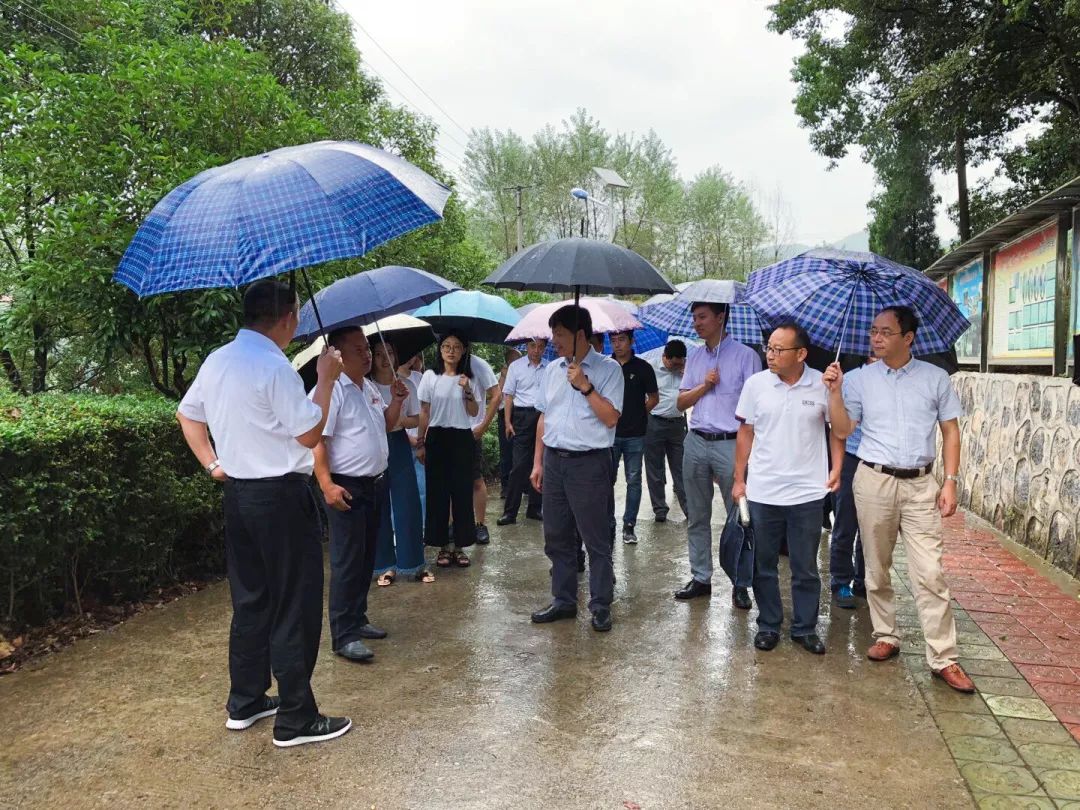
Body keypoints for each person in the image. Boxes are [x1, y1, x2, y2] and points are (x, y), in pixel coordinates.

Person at [176, 279, 351, 748]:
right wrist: (327, 380)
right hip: (280, 497)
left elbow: (187, 414)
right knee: (295, 601)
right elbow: (310, 435)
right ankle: (296, 717)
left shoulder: (219, 359)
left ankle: (247, 699)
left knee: (252, 598)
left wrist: (213, 463)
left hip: (239, 496)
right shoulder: (274, 367)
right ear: (288, 317)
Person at [828, 305, 973, 693]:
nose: (876, 337)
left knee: (930, 571)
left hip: (921, 484)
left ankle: (944, 656)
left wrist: (951, 481)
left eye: (886, 332)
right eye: (874, 331)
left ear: (908, 338)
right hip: (873, 480)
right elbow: (842, 430)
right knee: (877, 566)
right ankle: (886, 634)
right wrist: (835, 393)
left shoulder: (935, 378)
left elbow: (951, 432)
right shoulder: (858, 380)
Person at [732, 323, 840, 655]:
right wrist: (739, 478)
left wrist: (837, 468)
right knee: (763, 562)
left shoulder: (822, 383)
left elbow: (838, 430)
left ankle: (805, 628)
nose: (771, 354)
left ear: (801, 354)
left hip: (807, 492)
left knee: (805, 564)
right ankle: (768, 624)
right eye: (769, 348)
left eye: (779, 349)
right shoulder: (756, 384)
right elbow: (745, 433)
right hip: (764, 491)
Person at [310, 328, 405, 664]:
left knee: (366, 557)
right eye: (358, 349)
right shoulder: (331, 390)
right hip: (346, 484)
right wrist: (326, 484)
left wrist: (397, 399)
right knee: (347, 559)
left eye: (367, 348)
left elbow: (387, 425)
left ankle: (358, 617)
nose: (367, 355)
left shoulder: (366, 388)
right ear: (337, 354)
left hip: (375, 482)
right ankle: (343, 634)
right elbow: (317, 440)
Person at [530, 305, 624, 632]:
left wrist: (585, 385)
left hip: (590, 464)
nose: (553, 340)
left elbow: (611, 417)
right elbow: (545, 417)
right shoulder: (553, 370)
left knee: (595, 538)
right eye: (553, 333)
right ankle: (563, 600)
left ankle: (600, 604)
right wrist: (538, 462)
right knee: (556, 536)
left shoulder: (609, 370)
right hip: (555, 462)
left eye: (560, 334)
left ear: (580, 335)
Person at [674, 302, 761, 606]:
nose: (696, 323)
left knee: (740, 516)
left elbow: (756, 406)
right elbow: (681, 403)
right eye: (694, 317)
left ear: (721, 317)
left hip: (731, 443)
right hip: (696, 440)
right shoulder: (696, 357)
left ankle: (740, 581)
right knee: (697, 515)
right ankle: (701, 577)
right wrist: (704, 385)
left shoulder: (746, 357)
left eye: (702, 317)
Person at [368, 339, 432, 587]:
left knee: (408, 502)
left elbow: (416, 419)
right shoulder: (367, 386)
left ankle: (413, 563)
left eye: (390, 352)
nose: (385, 358)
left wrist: (398, 419)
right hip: (375, 446)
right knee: (380, 505)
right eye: (379, 354)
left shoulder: (405, 385)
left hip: (398, 442)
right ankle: (385, 565)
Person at [417, 331, 482, 567]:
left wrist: (467, 389)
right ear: (440, 349)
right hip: (437, 437)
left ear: (463, 350)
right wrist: (420, 442)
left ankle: (460, 546)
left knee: (462, 493)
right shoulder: (430, 376)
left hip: (462, 437)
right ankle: (443, 546)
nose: (451, 350)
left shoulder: (469, 378)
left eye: (456, 346)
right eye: (446, 346)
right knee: (439, 493)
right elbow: (424, 412)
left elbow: (474, 412)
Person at [829, 359, 874, 609]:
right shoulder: (851, 380)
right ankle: (841, 580)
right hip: (852, 456)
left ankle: (863, 580)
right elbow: (837, 425)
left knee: (873, 528)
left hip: (878, 462)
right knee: (846, 523)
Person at [609, 331, 658, 544]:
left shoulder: (643, 368)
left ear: (631, 341)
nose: (617, 344)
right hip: (608, 433)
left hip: (635, 434)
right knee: (604, 481)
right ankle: (607, 522)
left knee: (634, 480)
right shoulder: (605, 366)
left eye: (621, 340)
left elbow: (654, 398)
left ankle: (629, 525)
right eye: (613, 340)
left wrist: (639, 413)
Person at [498, 338, 548, 526]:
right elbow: (508, 394)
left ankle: (535, 508)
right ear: (527, 347)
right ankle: (510, 512)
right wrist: (507, 422)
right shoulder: (516, 367)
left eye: (541, 346)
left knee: (541, 461)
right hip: (522, 415)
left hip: (543, 415)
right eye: (533, 346)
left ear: (544, 348)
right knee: (519, 465)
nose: (536, 350)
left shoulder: (550, 368)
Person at [644, 339, 688, 523]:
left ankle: (689, 509)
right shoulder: (650, 368)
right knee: (655, 468)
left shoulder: (687, 369)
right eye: (673, 363)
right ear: (665, 357)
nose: (676, 367)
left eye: (680, 363)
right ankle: (660, 509)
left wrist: (687, 375)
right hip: (654, 422)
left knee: (682, 468)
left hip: (678, 423)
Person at [467, 352, 501, 544]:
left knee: (476, 480)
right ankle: (452, 525)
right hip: (447, 432)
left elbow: (496, 395)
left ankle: (480, 524)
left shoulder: (478, 364)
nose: (451, 349)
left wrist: (484, 425)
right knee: (448, 481)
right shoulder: (439, 366)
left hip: (471, 431)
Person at [399, 353, 427, 521]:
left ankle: (422, 525)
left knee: (422, 487)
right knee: (402, 488)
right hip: (403, 440)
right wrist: (410, 438)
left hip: (421, 438)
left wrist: (422, 438)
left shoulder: (420, 377)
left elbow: (427, 409)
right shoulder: (391, 380)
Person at [496, 348, 521, 497]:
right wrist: (504, 376)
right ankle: (505, 486)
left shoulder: (523, 373)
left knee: (521, 451)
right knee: (506, 451)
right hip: (503, 414)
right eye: (512, 360)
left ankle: (522, 485)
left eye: (517, 360)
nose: (515, 363)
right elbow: (497, 397)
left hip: (519, 413)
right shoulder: (500, 375)